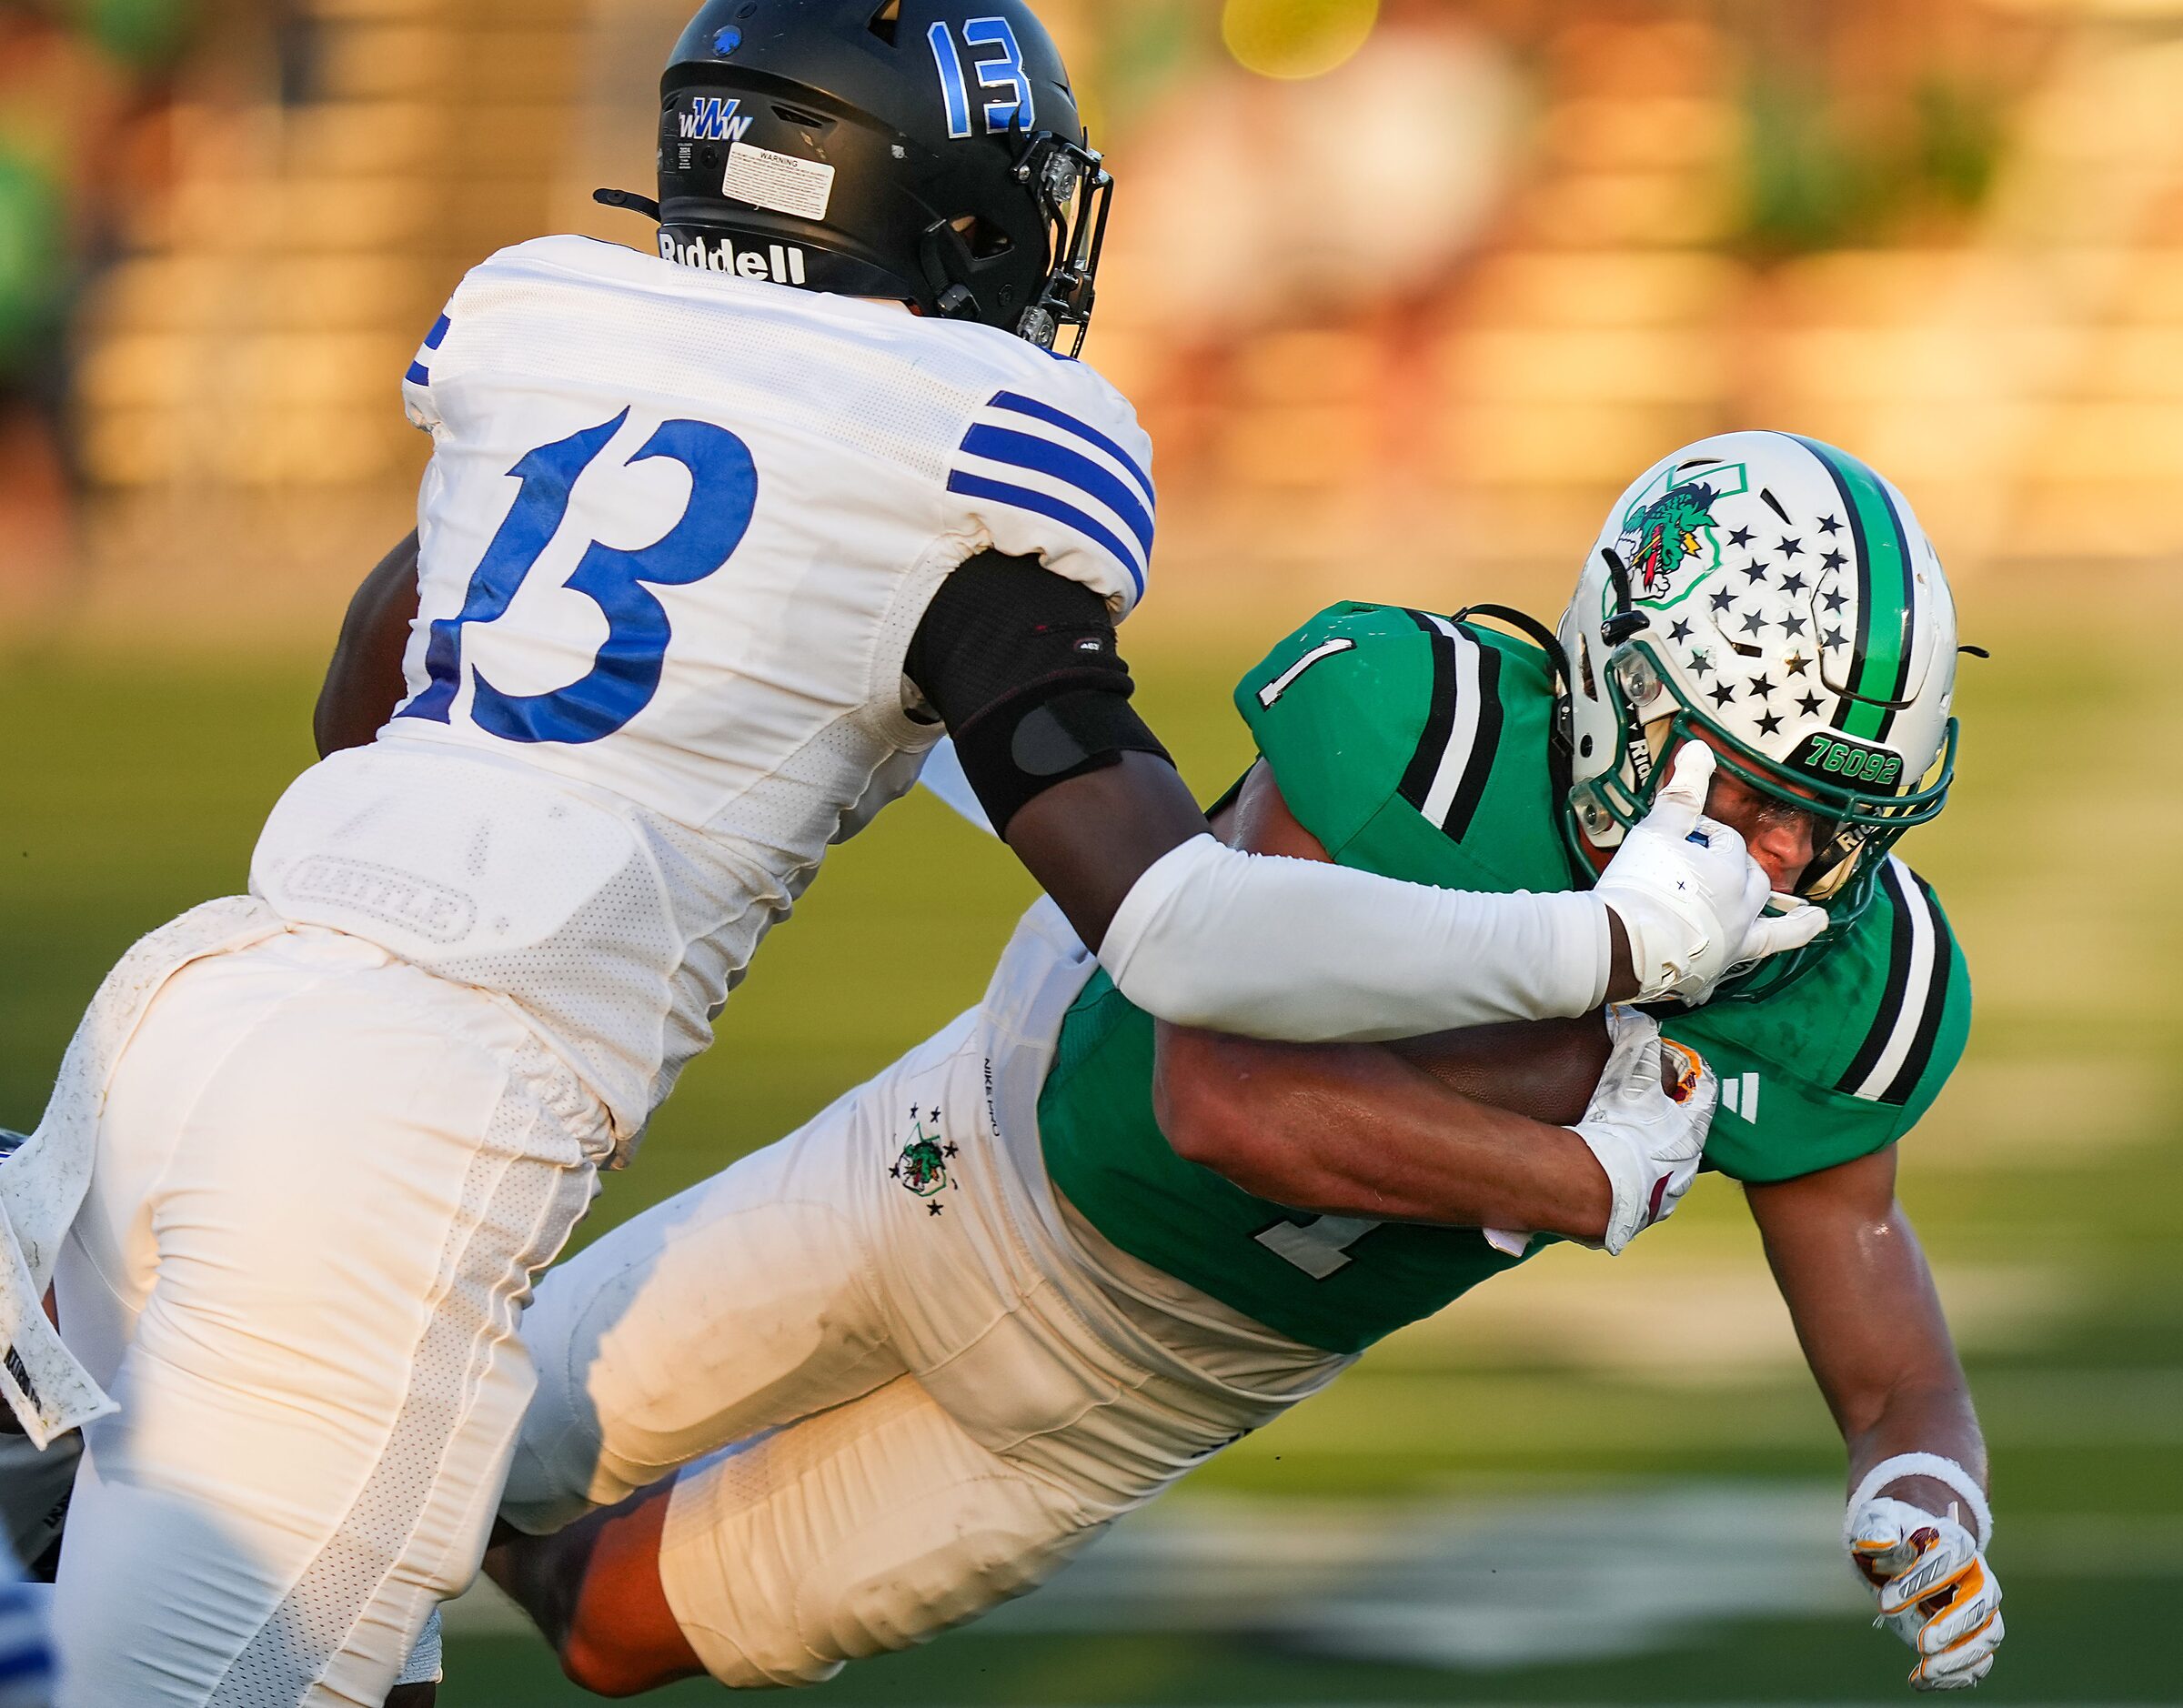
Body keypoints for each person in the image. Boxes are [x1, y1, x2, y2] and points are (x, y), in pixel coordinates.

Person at [0, 8, 1813, 1705]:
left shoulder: (550, 329)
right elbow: (1177, 937)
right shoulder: (964, 458)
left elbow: (362, 705)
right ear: (928, 215)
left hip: (191, 1021)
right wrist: (1603, 948)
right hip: (401, 1142)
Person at [484, 431, 2004, 1695]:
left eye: (1840, 818)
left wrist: (1922, 1484)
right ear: (1630, 697)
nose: (1795, 859)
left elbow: (1885, 1338)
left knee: (610, 1631)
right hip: (969, 1166)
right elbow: (1217, 1096)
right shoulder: (1428, 733)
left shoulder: (1843, 975)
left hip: (1140, 1400)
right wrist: (1574, 1174)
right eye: (1753, 797)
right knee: (476, 1439)